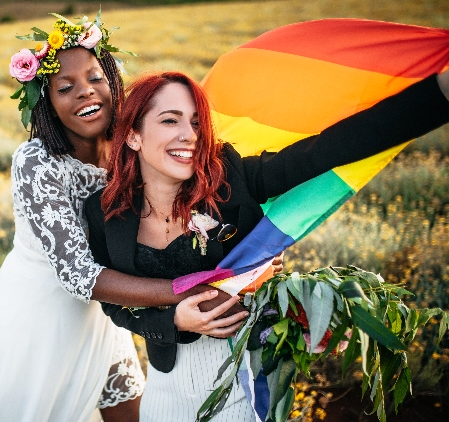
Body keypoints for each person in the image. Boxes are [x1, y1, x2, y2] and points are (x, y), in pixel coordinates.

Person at [0, 12, 253, 422]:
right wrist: (187, 288)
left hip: (113, 300)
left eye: (96, 77)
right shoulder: (36, 163)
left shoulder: (127, 144)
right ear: (46, 102)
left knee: (126, 405)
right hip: (43, 312)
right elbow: (78, 276)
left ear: (114, 81)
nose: (85, 92)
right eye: (65, 87)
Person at [84, 70, 449, 421]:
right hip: (165, 383)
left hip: (246, 375)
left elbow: (325, 150)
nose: (189, 135)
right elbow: (115, 301)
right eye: (170, 121)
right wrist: (173, 320)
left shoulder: (233, 179)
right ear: (132, 136)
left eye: (196, 123)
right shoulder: (104, 213)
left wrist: (438, 94)